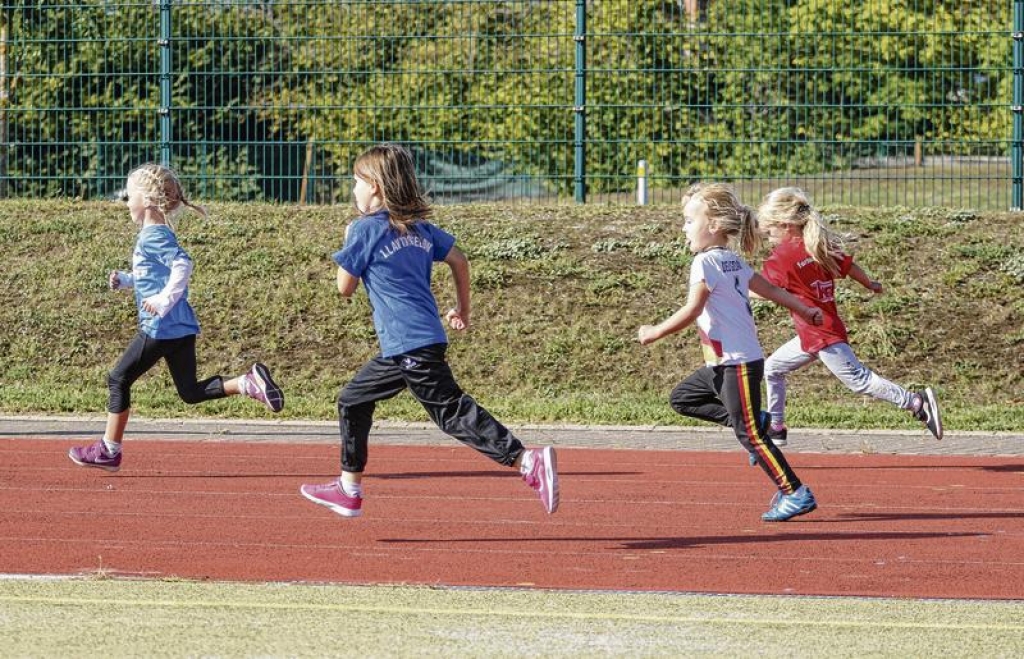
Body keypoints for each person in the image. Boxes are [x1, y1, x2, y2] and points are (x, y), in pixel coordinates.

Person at [300, 143, 558, 518]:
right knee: (353, 399)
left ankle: (525, 459)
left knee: (451, 412)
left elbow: (344, 287)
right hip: (414, 342)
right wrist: (462, 308)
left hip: (408, 344)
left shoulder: (364, 229)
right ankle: (348, 488)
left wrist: (349, 239)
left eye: (356, 181)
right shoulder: (419, 228)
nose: (352, 188)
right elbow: (459, 259)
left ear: (373, 185)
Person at [68, 163, 284, 472]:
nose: (127, 202)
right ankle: (246, 383)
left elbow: (183, 264)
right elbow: (155, 274)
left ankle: (109, 449)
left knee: (118, 378)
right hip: (180, 327)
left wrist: (163, 300)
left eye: (130, 196)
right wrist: (128, 281)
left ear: (147, 200)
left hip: (161, 326)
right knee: (189, 392)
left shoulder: (153, 235)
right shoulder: (156, 234)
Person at [637, 182, 824, 522]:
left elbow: (693, 309)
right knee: (683, 399)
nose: (683, 227)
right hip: (723, 365)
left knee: (748, 435)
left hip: (736, 363)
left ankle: (795, 492)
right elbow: (766, 289)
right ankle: (761, 419)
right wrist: (803, 308)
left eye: (689, 221)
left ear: (714, 226)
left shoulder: (706, 262)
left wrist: (655, 332)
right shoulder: (730, 260)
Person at [757, 187, 942, 446]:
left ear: (786, 225)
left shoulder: (783, 257)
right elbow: (849, 267)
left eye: (770, 232)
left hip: (821, 333)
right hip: (815, 330)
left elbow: (764, 290)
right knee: (773, 368)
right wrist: (870, 284)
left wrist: (734, 291)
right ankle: (776, 427)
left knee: (859, 381)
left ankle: (916, 402)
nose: (769, 239)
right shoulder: (816, 245)